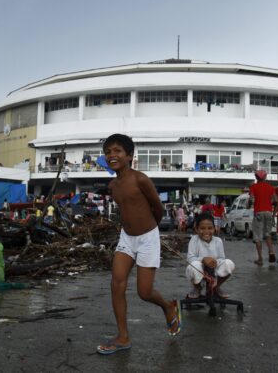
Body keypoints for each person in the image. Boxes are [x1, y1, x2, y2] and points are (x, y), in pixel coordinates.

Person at [96, 133, 180, 355]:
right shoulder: (112, 185)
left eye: (117, 151)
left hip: (148, 238)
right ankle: (123, 337)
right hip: (126, 238)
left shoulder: (140, 179)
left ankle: (168, 307)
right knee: (117, 284)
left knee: (144, 292)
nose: (112, 155)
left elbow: (157, 208)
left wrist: (148, 230)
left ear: (129, 155)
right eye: (108, 152)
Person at [185, 212, 235, 299]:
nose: (206, 231)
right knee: (194, 265)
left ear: (214, 228)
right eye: (202, 228)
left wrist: (215, 261)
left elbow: (222, 258)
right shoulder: (194, 240)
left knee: (229, 263)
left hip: (215, 270)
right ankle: (197, 288)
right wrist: (203, 259)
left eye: (210, 228)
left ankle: (216, 287)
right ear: (196, 229)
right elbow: (190, 258)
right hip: (200, 270)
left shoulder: (218, 241)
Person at [249, 170, 278, 266]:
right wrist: (273, 214)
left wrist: (250, 204)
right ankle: (271, 252)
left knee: (258, 237)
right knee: (267, 234)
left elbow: (251, 199)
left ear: (256, 177)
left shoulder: (253, 187)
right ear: (265, 177)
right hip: (269, 212)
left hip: (258, 213)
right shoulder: (270, 187)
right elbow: (276, 200)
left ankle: (260, 259)